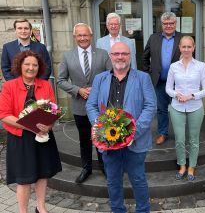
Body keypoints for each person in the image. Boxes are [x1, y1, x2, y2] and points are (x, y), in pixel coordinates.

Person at [86, 42, 156, 213]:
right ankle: (117, 209)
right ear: (110, 56)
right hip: (108, 141)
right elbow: (91, 105)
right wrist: (101, 127)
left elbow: (151, 106)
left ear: (130, 56)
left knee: (138, 179)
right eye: (116, 53)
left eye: (124, 53)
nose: (120, 57)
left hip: (135, 141)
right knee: (113, 180)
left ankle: (143, 210)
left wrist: (132, 132)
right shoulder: (100, 78)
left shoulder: (142, 78)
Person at [0, 50, 62, 213]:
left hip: (43, 136)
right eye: (27, 64)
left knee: (42, 174)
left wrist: (49, 125)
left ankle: (40, 207)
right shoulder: (9, 86)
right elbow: (4, 115)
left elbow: (53, 110)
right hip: (20, 138)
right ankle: (23, 211)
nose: (31, 68)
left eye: (35, 65)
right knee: (24, 178)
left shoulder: (45, 85)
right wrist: (30, 126)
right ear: (20, 66)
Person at [57, 23, 112, 183]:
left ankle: (105, 167)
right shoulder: (67, 56)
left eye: (85, 35)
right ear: (75, 37)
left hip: (101, 106)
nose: (83, 38)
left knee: (102, 138)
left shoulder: (103, 54)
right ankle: (86, 168)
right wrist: (78, 90)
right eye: (79, 35)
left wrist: (96, 88)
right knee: (84, 139)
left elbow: (111, 76)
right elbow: (60, 80)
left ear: (91, 36)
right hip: (80, 106)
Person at [166, 36, 205, 181]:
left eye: (189, 47)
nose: (186, 49)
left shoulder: (201, 66)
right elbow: (168, 88)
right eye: (183, 47)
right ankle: (182, 165)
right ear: (179, 48)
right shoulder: (174, 66)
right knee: (179, 139)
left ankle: (191, 166)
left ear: (194, 47)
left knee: (193, 139)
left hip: (195, 107)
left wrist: (192, 95)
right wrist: (176, 94)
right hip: (177, 107)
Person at [142, 11, 182, 145]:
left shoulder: (182, 38)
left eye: (171, 23)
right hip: (159, 81)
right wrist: (149, 72)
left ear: (175, 23)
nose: (169, 26)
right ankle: (163, 133)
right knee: (161, 109)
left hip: (178, 82)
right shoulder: (154, 38)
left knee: (179, 109)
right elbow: (145, 57)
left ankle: (179, 134)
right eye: (166, 23)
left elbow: (189, 57)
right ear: (162, 24)